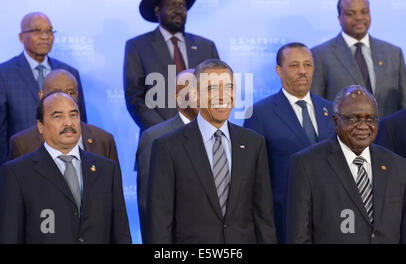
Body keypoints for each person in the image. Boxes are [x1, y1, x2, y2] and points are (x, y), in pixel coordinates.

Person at [146, 59, 277, 244]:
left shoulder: (253, 143)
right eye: (212, 89)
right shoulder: (168, 147)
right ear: (195, 95)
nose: (222, 96)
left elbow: (264, 217)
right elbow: (159, 223)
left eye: (228, 87)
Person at [0, 92, 131, 243]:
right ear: (40, 126)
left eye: (73, 115)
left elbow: (121, 233)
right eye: (58, 116)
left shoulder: (106, 169)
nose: (68, 123)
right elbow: (8, 237)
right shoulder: (16, 173)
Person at [287, 85, 406, 243]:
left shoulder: (398, 166)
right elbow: (298, 237)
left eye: (370, 119)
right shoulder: (306, 165)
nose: (363, 126)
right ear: (336, 121)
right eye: (354, 118)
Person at [243, 42, 335, 243]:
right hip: (284, 220)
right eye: (294, 66)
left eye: (308, 65)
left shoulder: (332, 110)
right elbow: (253, 176)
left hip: (331, 220)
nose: (302, 71)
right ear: (279, 70)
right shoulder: (259, 114)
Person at [0, 12, 87, 173]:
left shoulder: (69, 72)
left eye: (49, 31)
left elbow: (80, 120)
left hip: (66, 165)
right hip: (21, 167)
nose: (45, 36)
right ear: (22, 37)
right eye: (37, 31)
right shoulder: (1, 75)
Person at [123, 0, 219, 132]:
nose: (179, 10)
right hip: (157, 139)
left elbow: (215, 92)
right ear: (157, 10)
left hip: (201, 135)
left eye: (182, 5)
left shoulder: (206, 47)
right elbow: (135, 99)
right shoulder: (138, 46)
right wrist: (165, 131)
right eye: (172, 5)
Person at [311, 0, 406, 119]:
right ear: (339, 18)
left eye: (364, 12)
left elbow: (403, 104)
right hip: (344, 137)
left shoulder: (394, 53)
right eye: (351, 13)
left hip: (388, 136)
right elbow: (318, 108)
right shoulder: (320, 55)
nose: (359, 17)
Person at [136, 69, 198, 243]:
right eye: (191, 90)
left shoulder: (220, 134)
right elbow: (149, 206)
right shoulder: (155, 137)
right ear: (178, 97)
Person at [9, 69, 118, 163]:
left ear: (78, 95)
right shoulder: (22, 144)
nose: (64, 98)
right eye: (56, 92)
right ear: (41, 95)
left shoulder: (103, 140)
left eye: (70, 93)